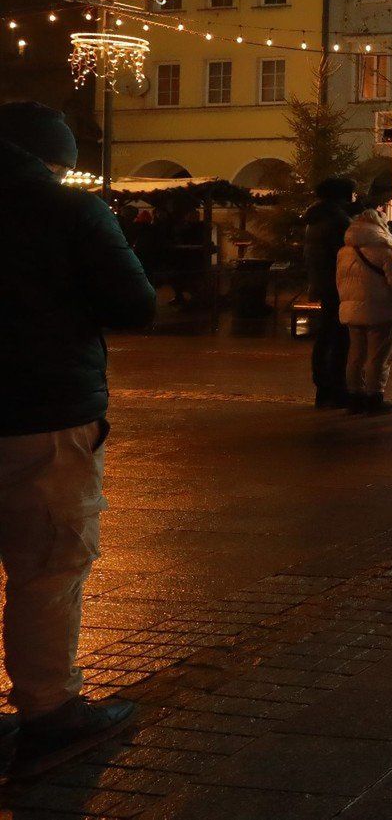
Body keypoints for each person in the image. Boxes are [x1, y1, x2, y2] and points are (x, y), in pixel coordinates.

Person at [0, 103, 155, 769]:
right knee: (48, 565)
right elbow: (135, 304)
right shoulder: (69, 211)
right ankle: (49, 709)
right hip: (44, 412)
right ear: (49, 158)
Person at [334, 208, 392, 415]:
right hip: (382, 310)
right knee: (379, 356)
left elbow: (340, 281)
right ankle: (374, 396)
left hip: (352, 309)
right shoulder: (386, 250)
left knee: (356, 354)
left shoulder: (344, 251)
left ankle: (355, 396)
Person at [301, 177, 356, 408]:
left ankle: (324, 388)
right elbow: (350, 247)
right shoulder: (337, 220)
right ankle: (335, 387)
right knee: (339, 337)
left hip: (323, 283)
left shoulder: (317, 217)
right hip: (336, 284)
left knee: (326, 335)